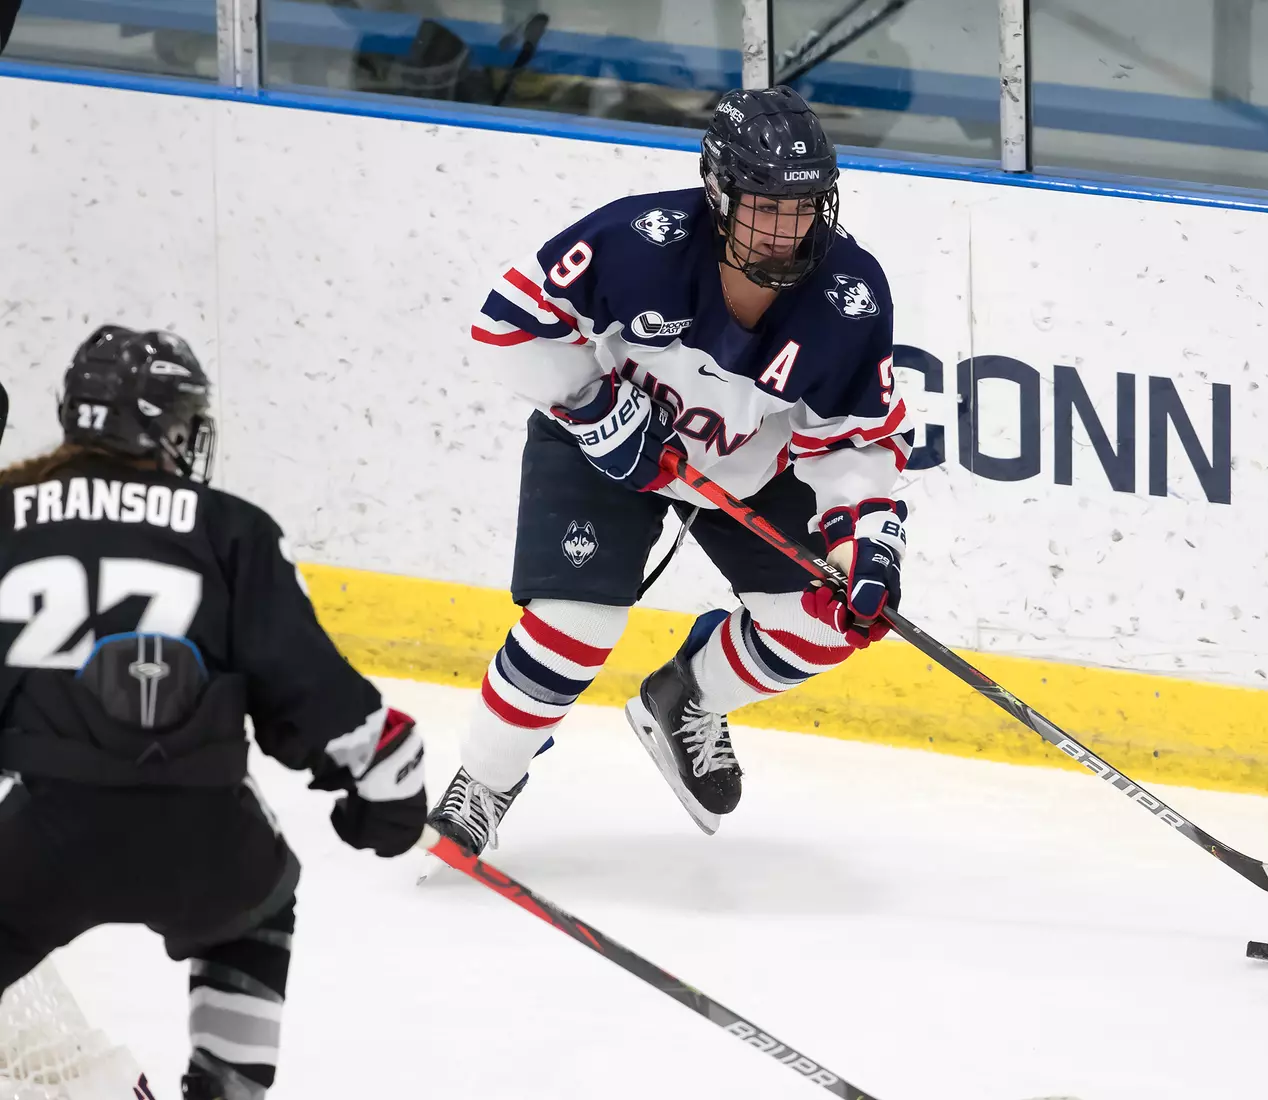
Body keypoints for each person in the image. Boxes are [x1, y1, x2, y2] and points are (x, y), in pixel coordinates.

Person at [427, 85, 911, 850]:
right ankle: (485, 781)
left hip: (748, 469)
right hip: (605, 445)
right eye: (765, 206)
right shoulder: (639, 239)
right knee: (573, 626)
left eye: (806, 206)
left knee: (824, 627)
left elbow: (854, 438)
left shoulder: (850, 295)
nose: (788, 230)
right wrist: (592, 407)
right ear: (718, 190)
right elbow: (508, 325)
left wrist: (865, 543)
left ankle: (685, 697)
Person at [0, 326, 428, 1100]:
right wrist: (385, 798)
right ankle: (226, 1088)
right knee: (256, 909)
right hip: (202, 833)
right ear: (167, 428)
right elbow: (318, 695)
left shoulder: (11, 516)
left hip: (46, 832)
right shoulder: (229, 526)